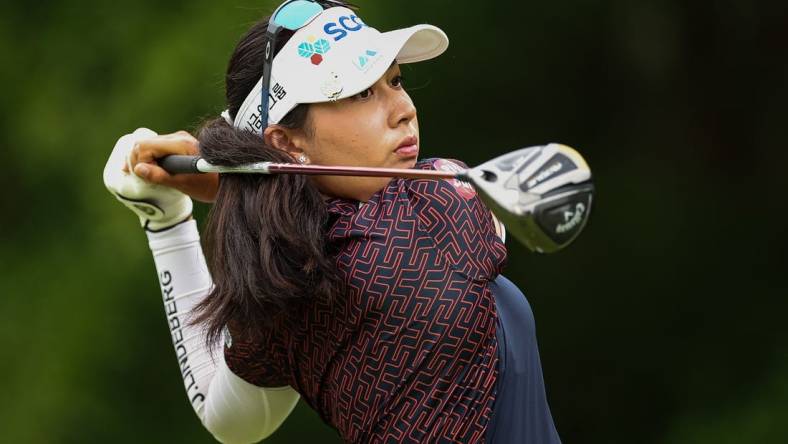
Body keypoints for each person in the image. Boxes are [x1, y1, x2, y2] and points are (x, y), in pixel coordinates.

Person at [103, 1, 561, 442]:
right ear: (285, 143)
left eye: (395, 81)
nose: (404, 109)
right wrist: (228, 184)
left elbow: (231, 421)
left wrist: (167, 220)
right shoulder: (439, 206)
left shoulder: (281, 277)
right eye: (361, 92)